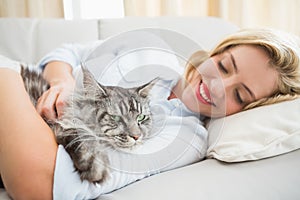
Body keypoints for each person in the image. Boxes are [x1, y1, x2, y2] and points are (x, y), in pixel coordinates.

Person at [0, 28, 300, 200]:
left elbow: (38, 184)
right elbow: (69, 53)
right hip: (28, 85)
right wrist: (61, 81)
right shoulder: (155, 52)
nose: (218, 86)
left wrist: (7, 75)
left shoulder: (184, 138)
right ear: (217, 51)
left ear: (251, 108)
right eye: (223, 66)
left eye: (239, 95)